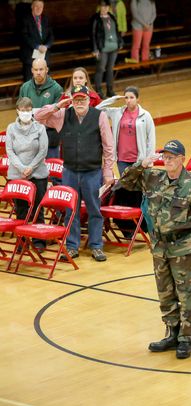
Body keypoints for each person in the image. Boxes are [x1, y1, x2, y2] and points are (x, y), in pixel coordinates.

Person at [119, 140, 191, 359]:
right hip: (159, 246)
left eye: (172, 157)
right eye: (165, 156)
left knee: (187, 294)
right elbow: (125, 182)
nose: (167, 160)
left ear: (182, 159)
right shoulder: (153, 177)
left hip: (183, 247)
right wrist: (141, 165)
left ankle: (186, 338)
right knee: (165, 292)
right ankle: (171, 332)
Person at [34, 85, 115, 262]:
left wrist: (108, 171)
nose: (79, 103)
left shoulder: (99, 116)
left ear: (88, 100)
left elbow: (109, 146)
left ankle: (96, 246)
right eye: (76, 99)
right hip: (69, 171)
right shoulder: (63, 115)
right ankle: (72, 247)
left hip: (92, 172)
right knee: (71, 211)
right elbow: (38, 117)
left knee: (94, 209)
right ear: (72, 100)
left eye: (82, 99)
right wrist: (57, 106)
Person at [99, 86, 156, 236]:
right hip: (122, 159)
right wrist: (112, 99)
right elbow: (98, 109)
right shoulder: (117, 112)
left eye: (131, 97)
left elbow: (151, 138)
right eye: (126, 97)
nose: (129, 100)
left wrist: (149, 159)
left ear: (138, 99)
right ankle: (129, 227)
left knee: (139, 193)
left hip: (140, 160)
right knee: (127, 191)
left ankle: (144, 226)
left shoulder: (145, 115)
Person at [5, 97, 49, 251]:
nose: (25, 113)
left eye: (28, 110)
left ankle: (39, 241)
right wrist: (21, 168)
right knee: (21, 209)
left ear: (32, 111)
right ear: (17, 111)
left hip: (38, 174)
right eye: (22, 110)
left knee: (38, 209)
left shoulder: (40, 128)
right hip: (17, 175)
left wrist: (30, 168)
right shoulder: (11, 128)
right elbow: (10, 151)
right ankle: (22, 241)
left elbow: (43, 150)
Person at [19, 58, 63, 159]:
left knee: (52, 172)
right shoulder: (25, 88)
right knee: (33, 173)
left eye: (41, 69)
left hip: (50, 138)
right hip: (30, 137)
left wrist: (37, 116)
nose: (38, 72)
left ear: (46, 70)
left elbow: (57, 116)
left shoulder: (57, 89)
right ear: (32, 70)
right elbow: (20, 113)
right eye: (36, 69)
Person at [91, 0, 123, 98]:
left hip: (113, 48)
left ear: (109, 7)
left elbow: (117, 31)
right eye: (102, 6)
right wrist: (95, 49)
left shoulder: (112, 17)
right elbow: (92, 35)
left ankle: (110, 90)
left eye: (106, 7)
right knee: (100, 69)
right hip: (102, 49)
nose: (104, 8)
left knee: (110, 69)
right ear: (99, 7)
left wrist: (120, 42)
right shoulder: (96, 19)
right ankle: (99, 91)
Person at [19, 0, 54, 81]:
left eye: (41, 7)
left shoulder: (45, 19)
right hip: (30, 56)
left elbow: (51, 35)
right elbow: (24, 36)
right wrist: (37, 46)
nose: (39, 8)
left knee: (45, 81)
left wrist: (47, 46)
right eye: (36, 6)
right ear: (32, 7)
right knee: (30, 82)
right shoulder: (24, 20)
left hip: (44, 56)